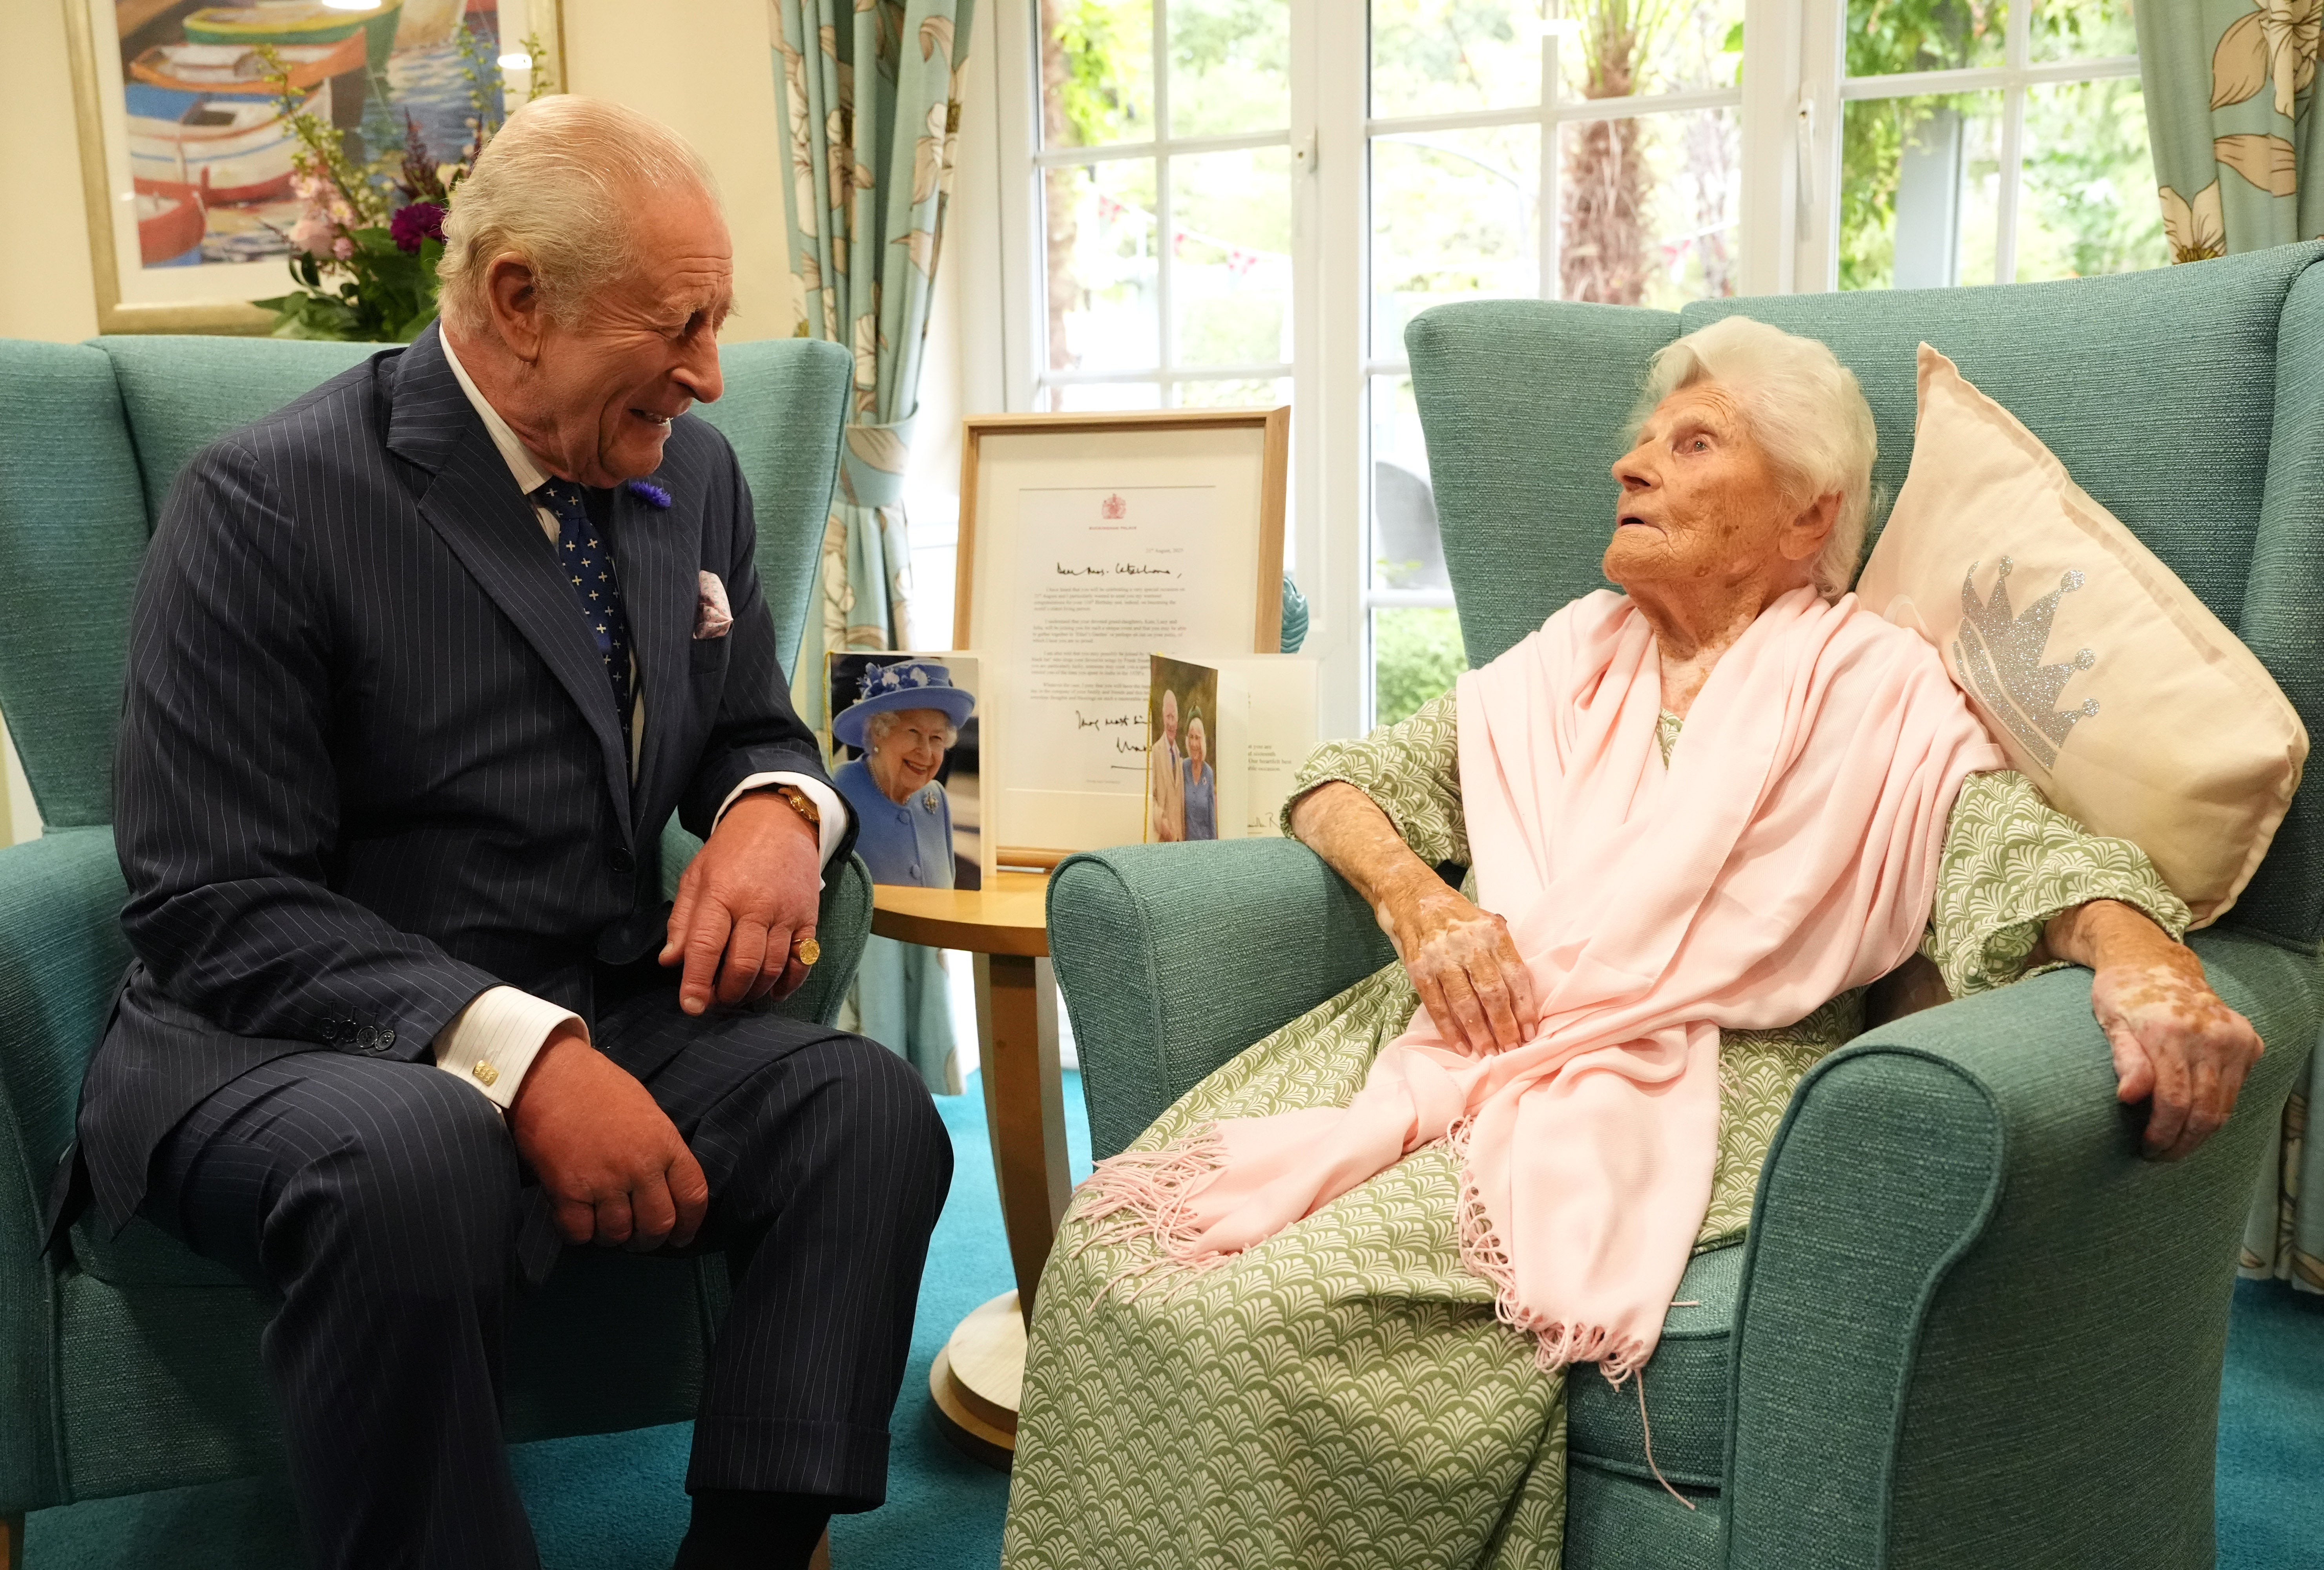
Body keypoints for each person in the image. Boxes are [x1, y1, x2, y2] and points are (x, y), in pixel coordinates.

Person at [1003, 317, 2264, 1569]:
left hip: (1692, 1077)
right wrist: (1422, 904)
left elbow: (2020, 853)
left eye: (1693, 442)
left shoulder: (1875, 690)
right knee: (1116, 1245)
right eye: (1644, 439)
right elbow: (1342, 784)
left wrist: (2144, 958)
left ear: (1809, 515)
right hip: (1459, 1043)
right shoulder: (1569, 659)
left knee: (1258, 1312)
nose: (1631, 464)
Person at [49, 96, 952, 1570]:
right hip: (281, 1041)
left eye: (718, 323)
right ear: (520, 300)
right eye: (679, 324)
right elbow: (213, 897)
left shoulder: (693, 475)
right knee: (420, 1151)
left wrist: (782, 812)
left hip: (594, 993)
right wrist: (520, 1055)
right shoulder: (267, 503)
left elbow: (748, 728)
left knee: (868, 1111)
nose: (711, 374)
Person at [832, 659, 976, 1091]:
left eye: (937, 739)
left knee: (919, 1070)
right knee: (871, 1076)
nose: (926, 753)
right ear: (878, 732)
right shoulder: (841, 788)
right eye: (913, 733)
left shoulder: (936, 798)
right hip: (864, 965)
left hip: (924, 956)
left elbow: (946, 879)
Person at [1149, 686, 1186, 842]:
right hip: (1162, 841)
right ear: (1163, 718)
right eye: (1168, 717)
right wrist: (1162, 822)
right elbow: (1150, 799)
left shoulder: (1180, 757)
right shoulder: (1154, 753)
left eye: (1174, 717)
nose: (1171, 722)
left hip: (1179, 843)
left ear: (1178, 720)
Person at [1180, 710, 1217, 841]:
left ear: (1202, 741)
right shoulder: (1183, 768)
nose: (1194, 744)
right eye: (1191, 737)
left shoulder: (1209, 773)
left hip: (1205, 844)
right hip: (1186, 844)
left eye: (1197, 738)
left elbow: (1212, 818)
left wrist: (1214, 846)